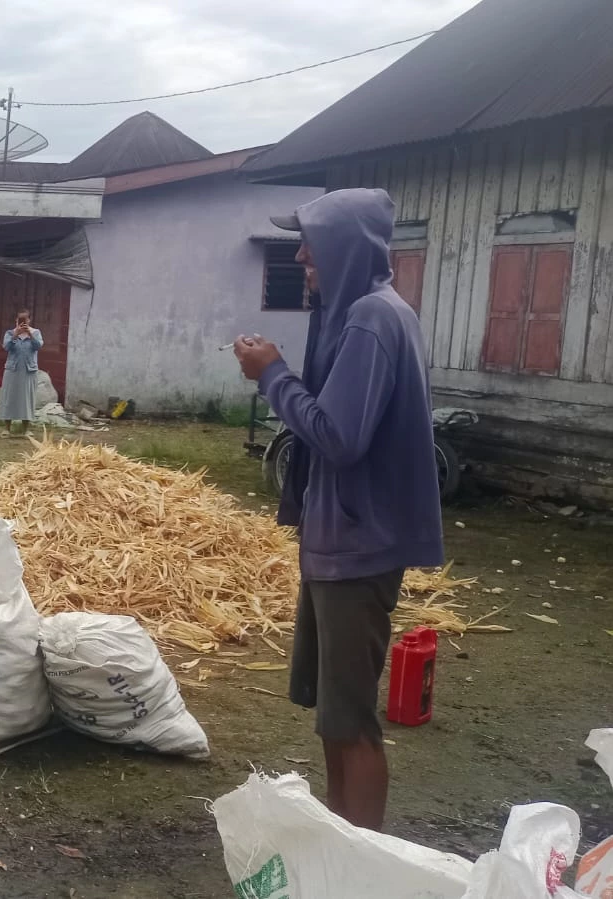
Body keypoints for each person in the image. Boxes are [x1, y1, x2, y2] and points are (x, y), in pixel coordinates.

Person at [232, 188, 443, 831]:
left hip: (359, 545)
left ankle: (361, 856)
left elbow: (339, 436)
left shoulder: (373, 319)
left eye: (311, 243)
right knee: (330, 711)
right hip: (335, 541)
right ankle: (338, 835)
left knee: (351, 721)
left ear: (345, 248)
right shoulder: (349, 312)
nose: (300, 255)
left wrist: (272, 375)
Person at [0, 310, 43, 437]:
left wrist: (30, 334)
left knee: (27, 399)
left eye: (25, 320)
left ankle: (26, 429)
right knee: (9, 398)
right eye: (20, 320)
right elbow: (6, 347)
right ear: (16, 321)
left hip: (29, 371)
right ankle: (7, 428)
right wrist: (15, 335)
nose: (23, 323)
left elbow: (38, 346)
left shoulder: (36, 333)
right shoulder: (10, 333)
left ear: (29, 320)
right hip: (12, 370)